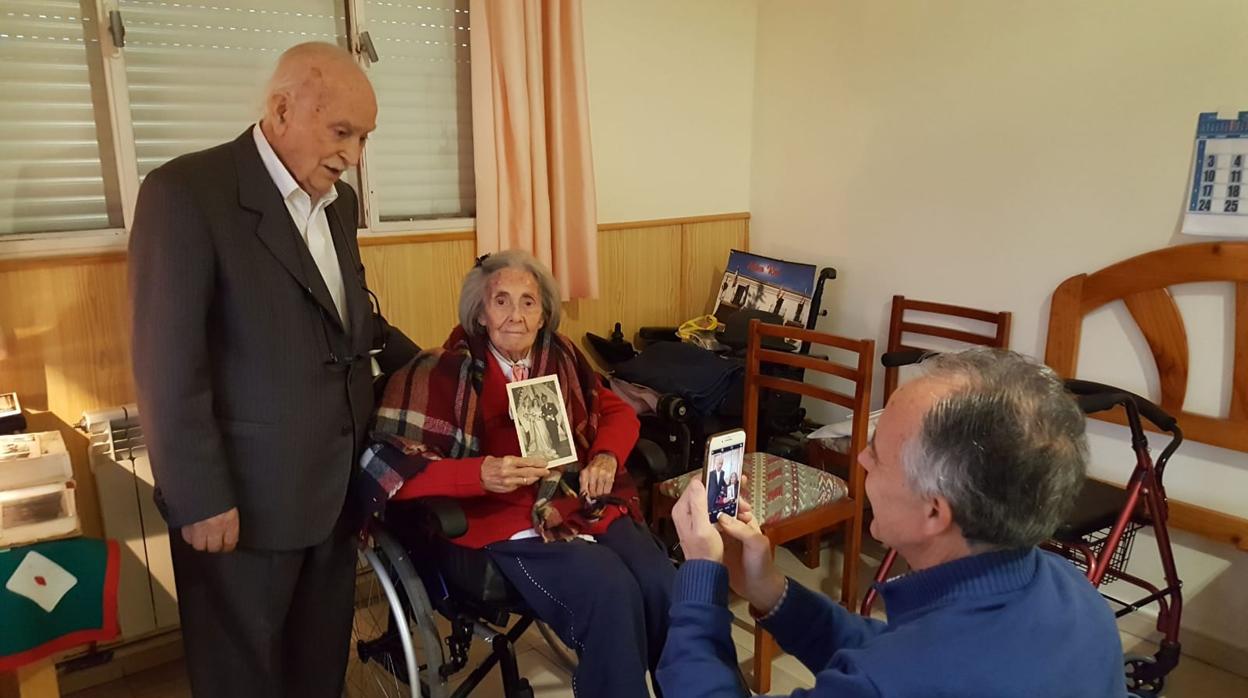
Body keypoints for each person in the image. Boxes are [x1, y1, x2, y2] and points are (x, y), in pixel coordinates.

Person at [128, 42, 415, 697]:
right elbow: (166, 363)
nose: (354, 157)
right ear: (282, 109)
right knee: (242, 676)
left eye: (364, 138)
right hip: (242, 504)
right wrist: (199, 497)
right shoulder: (186, 194)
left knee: (318, 668)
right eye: (341, 133)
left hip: (334, 489)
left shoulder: (335, 206)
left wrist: (445, 365)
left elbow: (353, 324)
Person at [658, 349, 1128, 697]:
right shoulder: (1079, 596)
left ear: (934, 511)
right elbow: (886, 649)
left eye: (878, 454)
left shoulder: (890, 683)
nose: (861, 457)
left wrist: (701, 579)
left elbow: (890, 672)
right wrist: (771, 591)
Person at [356, 249, 676, 698]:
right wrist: (477, 474)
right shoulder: (442, 371)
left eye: (529, 302)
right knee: (611, 591)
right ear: (481, 313)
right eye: (501, 300)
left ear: (544, 314)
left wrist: (605, 456)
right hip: (505, 522)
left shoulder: (562, 356)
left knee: (663, 582)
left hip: (579, 499)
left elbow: (616, 410)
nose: (515, 315)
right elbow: (389, 464)